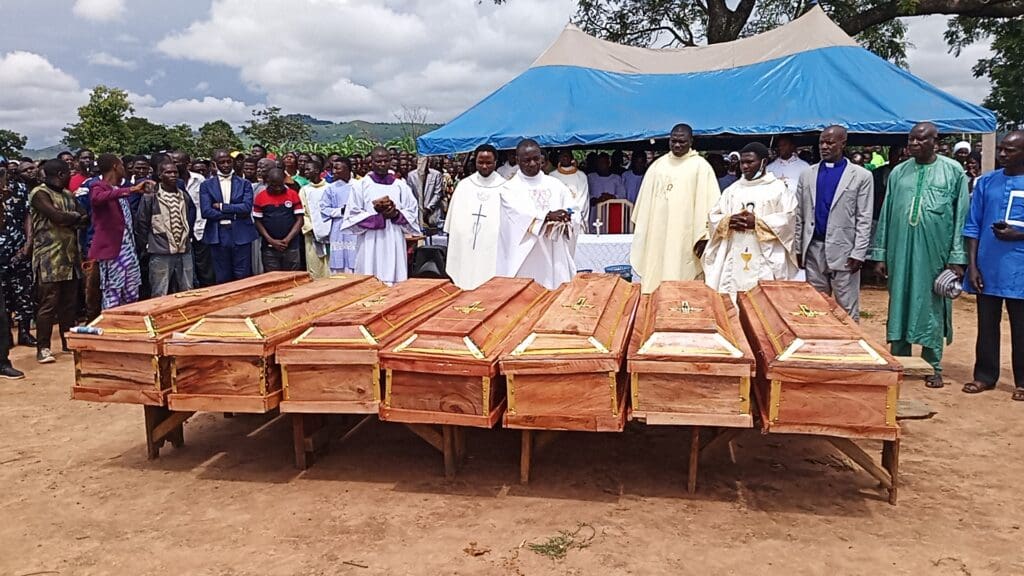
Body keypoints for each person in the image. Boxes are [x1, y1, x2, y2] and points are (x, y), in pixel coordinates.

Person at [870, 122, 969, 388]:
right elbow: (887, 214)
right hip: (899, 250)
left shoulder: (953, 172)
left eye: (920, 139)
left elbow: (961, 216)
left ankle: (932, 365)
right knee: (899, 302)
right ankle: (900, 362)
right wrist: (880, 254)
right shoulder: (899, 173)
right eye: (911, 139)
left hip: (935, 253)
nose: (913, 144)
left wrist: (957, 258)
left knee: (932, 306)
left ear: (934, 141)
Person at [961, 130, 1024, 401]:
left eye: (1009, 150)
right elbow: (973, 225)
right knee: (987, 324)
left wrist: (1018, 234)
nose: (1002, 154)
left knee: (1021, 326)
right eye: (1001, 149)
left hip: (1019, 269)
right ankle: (985, 375)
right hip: (987, 265)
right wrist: (972, 266)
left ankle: (1022, 381)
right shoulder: (986, 183)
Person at [794, 126, 873, 321]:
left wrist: (859, 253)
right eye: (822, 142)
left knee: (846, 309)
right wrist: (798, 247)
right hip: (813, 250)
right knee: (815, 306)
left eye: (830, 142)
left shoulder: (861, 176)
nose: (824, 146)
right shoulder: (807, 174)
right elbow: (799, 215)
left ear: (843, 144)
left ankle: (851, 347)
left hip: (844, 251)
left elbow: (864, 217)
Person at [630, 123, 720, 294]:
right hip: (658, 235)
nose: (677, 145)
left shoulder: (701, 167)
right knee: (656, 272)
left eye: (682, 142)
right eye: (673, 141)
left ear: (691, 141)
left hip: (685, 236)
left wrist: (705, 236)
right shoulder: (657, 166)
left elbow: (712, 206)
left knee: (682, 279)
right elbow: (643, 208)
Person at [703, 143, 797, 299]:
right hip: (735, 252)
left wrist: (758, 223)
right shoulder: (733, 190)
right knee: (732, 297)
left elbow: (789, 218)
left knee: (763, 303)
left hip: (764, 254)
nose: (745, 166)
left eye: (750, 162)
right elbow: (714, 216)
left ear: (763, 162)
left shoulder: (778, 189)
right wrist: (729, 221)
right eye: (742, 162)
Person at [496, 139, 579, 289]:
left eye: (536, 159)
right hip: (526, 255)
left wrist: (567, 217)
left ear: (542, 158)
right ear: (517, 160)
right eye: (527, 160)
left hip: (555, 250)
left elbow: (573, 209)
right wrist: (547, 217)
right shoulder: (509, 189)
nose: (532, 164)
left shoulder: (556, 185)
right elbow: (517, 213)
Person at [30, 159, 88, 364]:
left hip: (70, 256)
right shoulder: (40, 193)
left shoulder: (68, 195)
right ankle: (43, 348)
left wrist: (69, 217)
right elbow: (57, 217)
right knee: (48, 303)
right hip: (48, 257)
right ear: (62, 174)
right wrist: (71, 217)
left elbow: (84, 217)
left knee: (69, 304)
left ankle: (67, 341)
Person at [340, 147, 420, 285]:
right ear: (371, 162)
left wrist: (395, 214)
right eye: (378, 161)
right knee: (369, 276)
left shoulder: (401, 186)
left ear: (390, 162)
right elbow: (352, 215)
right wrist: (379, 217)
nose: (382, 164)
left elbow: (412, 212)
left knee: (395, 279)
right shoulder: (361, 185)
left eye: (385, 161)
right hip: (370, 240)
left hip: (394, 237)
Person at [89, 154, 148, 309]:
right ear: (115, 166)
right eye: (122, 165)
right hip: (113, 251)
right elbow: (97, 198)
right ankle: (111, 328)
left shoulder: (119, 189)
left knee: (132, 292)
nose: (124, 168)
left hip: (128, 249)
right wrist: (131, 189)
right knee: (113, 294)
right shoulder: (98, 186)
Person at [445, 144, 506, 290]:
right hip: (466, 247)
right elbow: (453, 223)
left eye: (488, 162)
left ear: (496, 162)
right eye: (480, 162)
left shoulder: (505, 187)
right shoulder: (464, 186)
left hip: (492, 246)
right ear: (475, 162)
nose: (484, 166)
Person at [135, 162, 196, 296]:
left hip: (184, 249)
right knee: (160, 292)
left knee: (188, 290)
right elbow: (142, 222)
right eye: (168, 172)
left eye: (175, 172)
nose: (173, 175)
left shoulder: (183, 196)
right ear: (160, 175)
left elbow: (190, 216)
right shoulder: (151, 197)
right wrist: (146, 245)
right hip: (160, 251)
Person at [200, 150, 257, 283]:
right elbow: (206, 211)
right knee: (222, 276)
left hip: (241, 233)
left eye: (228, 161)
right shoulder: (207, 185)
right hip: (218, 234)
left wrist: (222, 207)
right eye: (222, 162)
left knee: (242, 275)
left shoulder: (244, 184)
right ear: (215, 164)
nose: (226, 165)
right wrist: (235, 214)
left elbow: (246, 208)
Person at [1, 157, 37, 346]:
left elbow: (27, 216)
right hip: (1, 253)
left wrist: (28, 243)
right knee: (3, 297)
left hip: (19, 248)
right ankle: (5, 337)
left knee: (24, 293)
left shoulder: (20, 188)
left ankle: (25, 333)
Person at [171, 151, 215, 288]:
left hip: (200, 228)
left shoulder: (199, 179)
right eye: (172, 161)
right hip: (179, 232)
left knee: (205, 268)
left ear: (187, 164)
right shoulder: (171, 182)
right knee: (185, 270)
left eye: (177, 161)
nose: (174, 164)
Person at [253, 168, 304, 272]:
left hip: (291, 246)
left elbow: (300, 220)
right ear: (268, 182)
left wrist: (287, 239)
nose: (277, 188)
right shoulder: (260, 197)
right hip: (269, 247)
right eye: (273, 185)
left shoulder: (293, 194)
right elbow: (258, 222)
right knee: (273, 279)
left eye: (280, 185)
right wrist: (271, 240)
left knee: (292, 278)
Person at [321, 158, 358, 274]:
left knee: (355, 258)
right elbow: (324, 208)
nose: (334, 171)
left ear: (347, 169)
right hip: (338, 227)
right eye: (333, 168)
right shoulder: (331, 188)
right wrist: (340, 211)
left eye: (337, 168)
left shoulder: (358, 186)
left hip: (356, 226)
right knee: (339, 261)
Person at [298, 160, 331, 278]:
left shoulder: (329, 188)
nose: (305, 172)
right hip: (312, 234)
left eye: (308, 169)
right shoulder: (304, 190)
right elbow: (303, 212)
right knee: (315, 265)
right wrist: (311, 228)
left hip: (330, 234)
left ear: (317, 171)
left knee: (331, 265)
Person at [548, 149, 590, 228]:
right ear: (558, 158)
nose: (565, 158)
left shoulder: (581, 176)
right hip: (558, 215)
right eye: (562, 156)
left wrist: (572, 213)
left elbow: (583, 198)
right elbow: (551, 197)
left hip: (575, 215)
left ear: (572, 158)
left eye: (567, 156)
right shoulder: (552, 176)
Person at [587, 152, 627, 229]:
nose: (601, 165)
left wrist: (611, 197)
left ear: (609, 163)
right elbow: (586, 194)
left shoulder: (616, 178)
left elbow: (622, 195)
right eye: (599, 163)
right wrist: (596, 199)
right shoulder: (590, 177)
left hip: (612, 212)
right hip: (594, 213)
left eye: (603, 163)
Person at [405, 157, 445, 231]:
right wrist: (418, 209)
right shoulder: (411, 175)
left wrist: (428, 209)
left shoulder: (436, 174)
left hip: (432, 213)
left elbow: (438, 194)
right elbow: (410, 194)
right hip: (417, 212)